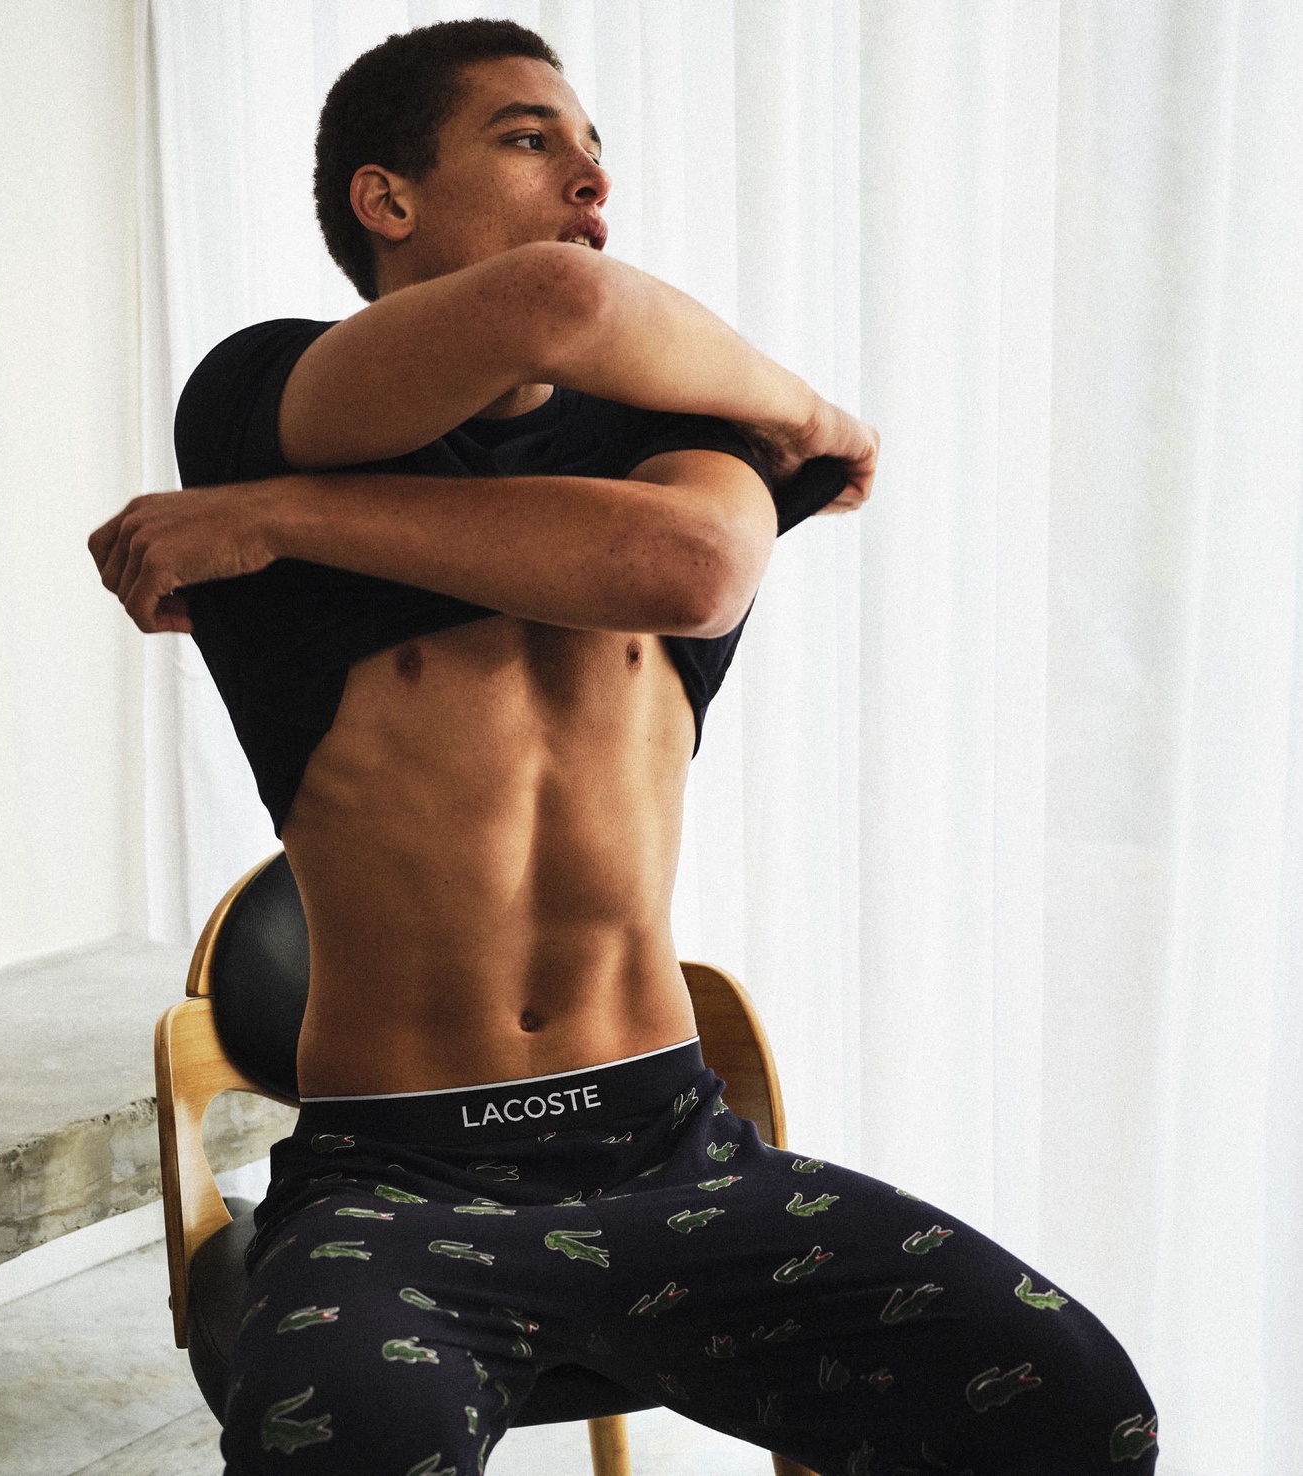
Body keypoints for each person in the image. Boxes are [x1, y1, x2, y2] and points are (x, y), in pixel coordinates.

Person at [90, 19, 1157, 1475]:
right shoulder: (259, 396)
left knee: (1073, 1407)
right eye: (530, 139)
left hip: (670, 1152)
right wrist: (810, 420)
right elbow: (554, 301)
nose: (591, 177)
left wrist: (279, 525)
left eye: (598, 150)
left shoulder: (662, 435)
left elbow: (689, 571)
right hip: (399, 1178)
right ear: (386, 199)